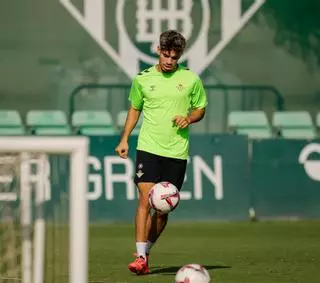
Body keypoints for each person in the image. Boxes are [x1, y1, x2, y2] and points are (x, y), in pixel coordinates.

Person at [115, 30, 208, 275]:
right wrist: (124, 138)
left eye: (174, 57)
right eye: (166, 55)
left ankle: (146, 252)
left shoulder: (191, 80)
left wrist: (189, 118)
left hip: (177, 152)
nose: (169, 61)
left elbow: (200, 108)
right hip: (148, 147)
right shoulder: (142, 79)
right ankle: (140, 257)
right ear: (158, 50)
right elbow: (135, 109)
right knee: (145, 199)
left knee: (163, 210)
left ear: (180, 56)